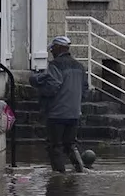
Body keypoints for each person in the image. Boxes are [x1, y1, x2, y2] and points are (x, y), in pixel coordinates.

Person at [31, 35, 89, 173]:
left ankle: (59, 175)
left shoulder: (55, 65)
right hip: (74, 112)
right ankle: (80, 170)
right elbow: (85, 89)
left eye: (52, 49)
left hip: (57, 113)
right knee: (70, 144)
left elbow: (53, 86)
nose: (51, 52)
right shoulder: (80, 66)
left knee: (54, 146)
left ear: (58, 48)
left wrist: (41, 93)